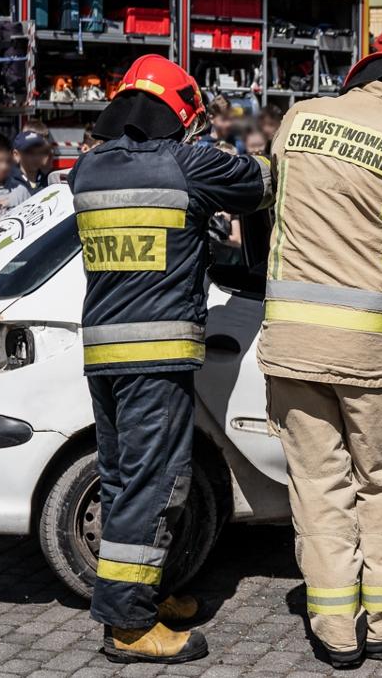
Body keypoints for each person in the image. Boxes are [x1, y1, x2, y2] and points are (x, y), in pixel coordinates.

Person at [67, 56, 270, 664]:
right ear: (180, 114)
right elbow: (260, 181)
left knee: (123, 479)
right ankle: (129, 626)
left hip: (104, 353)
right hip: (156, 358)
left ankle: (139, 595)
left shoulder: (88, 169)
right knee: (154, 485)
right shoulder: (188, 162)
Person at [258, 48, 382, 668]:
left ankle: (336, 631)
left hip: (291, 344)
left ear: (352, 82)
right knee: (381, 483)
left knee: (317, 487)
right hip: (368, 349)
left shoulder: (297, 120)